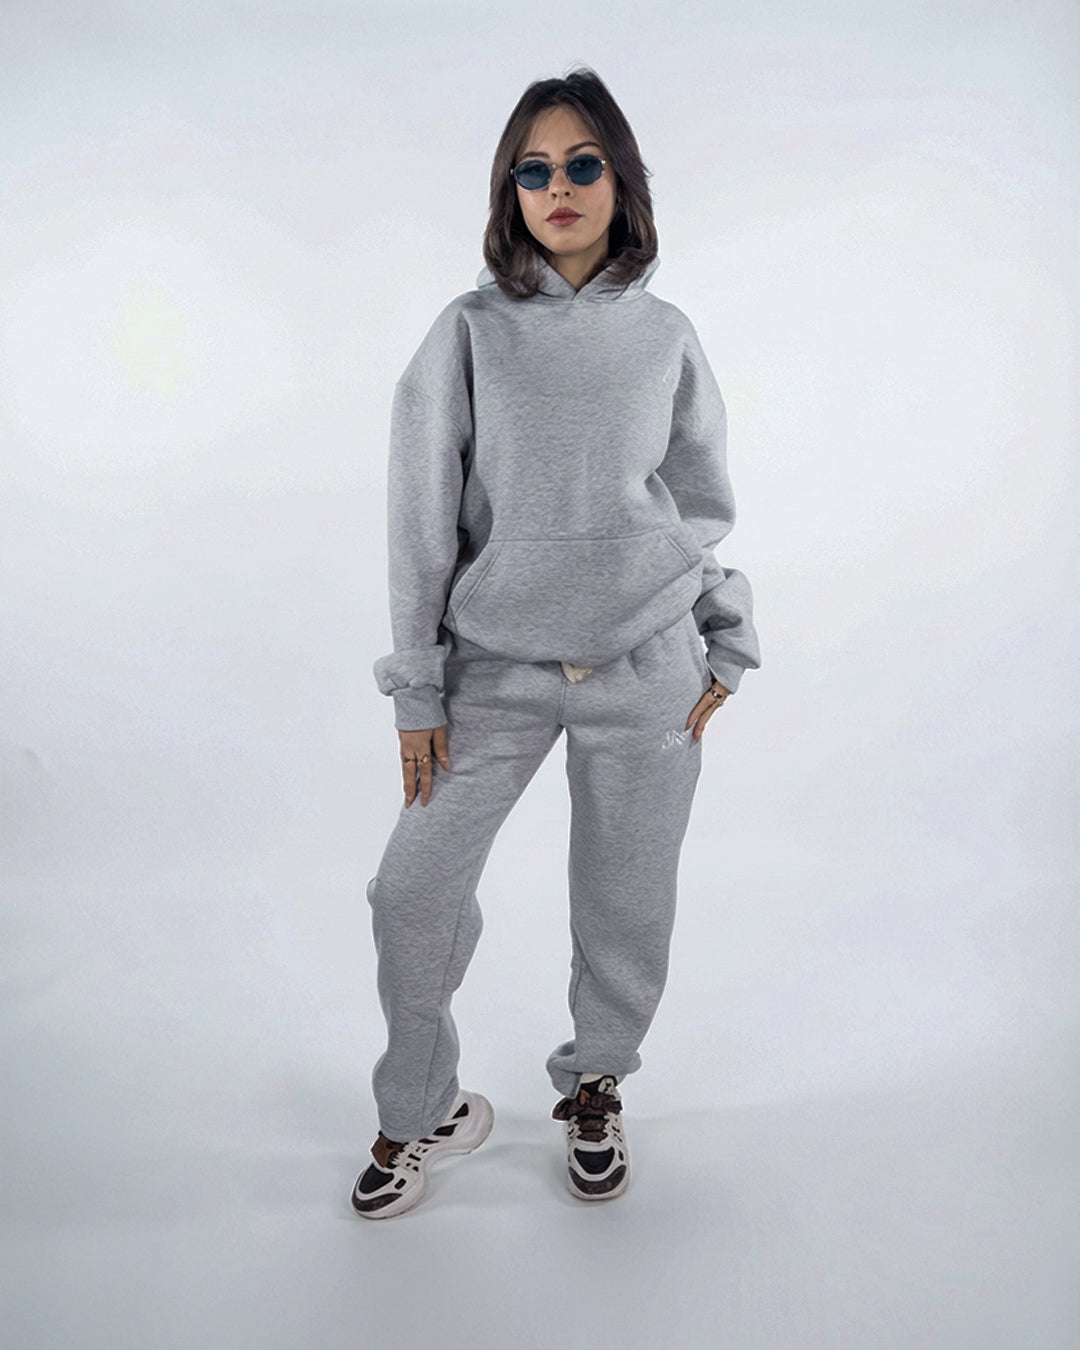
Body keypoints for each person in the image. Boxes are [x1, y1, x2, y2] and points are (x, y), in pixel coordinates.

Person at [351, 66, 760, 1220]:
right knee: (409, 891)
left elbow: (695, 507)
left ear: (621, 182)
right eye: (533, 170)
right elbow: (419, 518)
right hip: (494, 672)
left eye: (583, 164)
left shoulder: (666, 336)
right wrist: (417, 690)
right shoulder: (468, 332)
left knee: (626, 903)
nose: (558, 186)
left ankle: (595, 1083)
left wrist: (726, 637)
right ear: (510, 191)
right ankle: (421, 1107)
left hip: (647, 669)